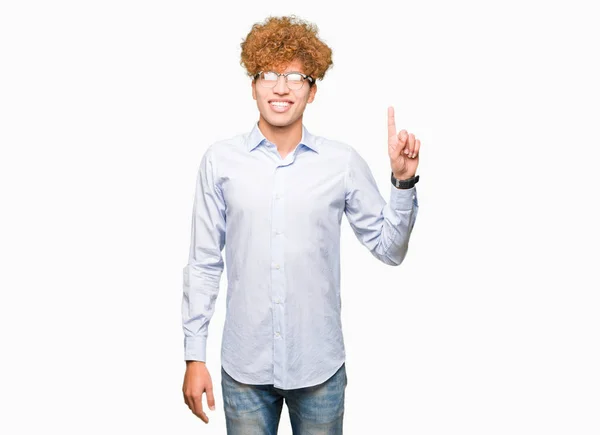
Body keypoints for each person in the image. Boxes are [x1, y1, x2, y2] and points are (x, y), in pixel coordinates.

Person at [181, 15, 420, 434]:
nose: (280, 87)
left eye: (295, 76)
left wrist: (402, 182)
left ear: (312, 91)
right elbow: (203, 263)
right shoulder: (220, 161)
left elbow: (390, 249)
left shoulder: (340, 162)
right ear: (253, 85)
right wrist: (193, 356)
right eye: (269, 74)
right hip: (245, 369)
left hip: (319, 368)